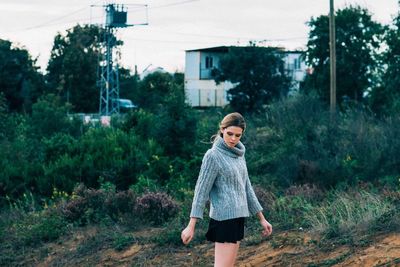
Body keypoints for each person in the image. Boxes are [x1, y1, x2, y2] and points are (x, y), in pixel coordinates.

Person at [181, 112, 272, 267]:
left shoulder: (239, 154)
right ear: (222, 129)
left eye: (238, 135)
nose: (233, 139)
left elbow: (246, 187)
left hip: (238, 217)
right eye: (230, 134)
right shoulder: (213, 156)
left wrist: (261, 218)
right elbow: (201, 191)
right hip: (223, 219)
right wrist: (191, 225)